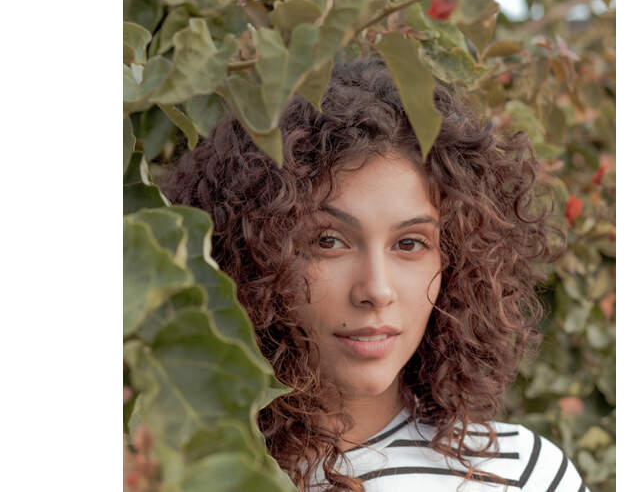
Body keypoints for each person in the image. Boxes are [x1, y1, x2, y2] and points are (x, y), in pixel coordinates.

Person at [162, 58, 588, 492]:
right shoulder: (163, 468)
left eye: (410, 243)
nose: (376, 290)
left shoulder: (521, 475)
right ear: (253, 254)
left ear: (455, 263)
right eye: (328, 241)